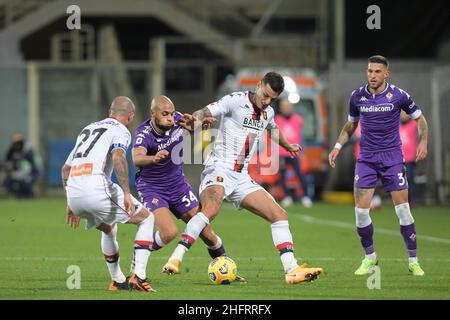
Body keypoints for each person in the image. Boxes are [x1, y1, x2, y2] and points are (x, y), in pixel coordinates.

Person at [164, 72, 324, 284]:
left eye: (272, 99)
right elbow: (205, 111)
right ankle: (175, 259)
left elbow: (273, 130)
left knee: (279, 214)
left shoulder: (268, 112)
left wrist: (287, 146)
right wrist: (196, 118)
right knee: (210, 211)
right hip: (218, 168)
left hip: (241, 177)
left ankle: (291, 269)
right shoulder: (235, 100)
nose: (266, 101)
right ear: (258, 85)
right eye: (265, 95)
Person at [328, 55, 428, 276]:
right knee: (361, 213)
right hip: (366, 159)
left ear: (386, 74)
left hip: (392, 159)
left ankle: (413, 261)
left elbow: (420, 118)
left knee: (403, 211)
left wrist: (423, 141)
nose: (372, 75)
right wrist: (337, 146)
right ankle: (370, 258)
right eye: (369, 71)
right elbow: (351, 124)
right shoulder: (357, 96)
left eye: (377, 72)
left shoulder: (399, 95)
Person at [132, 95, 236, 277]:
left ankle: (225, 267)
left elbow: (192, 130)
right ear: (153, 113)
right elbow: (136, 158)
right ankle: (140, 252)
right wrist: (153, 158)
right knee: (169, 232)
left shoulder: (178, 119)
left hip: (178, 186)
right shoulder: (143, 133)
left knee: (207, 233)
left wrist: (201, 128)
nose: (170, 117)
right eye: (165, 114)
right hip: (152, 187)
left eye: (172, 113)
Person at [61, 96, 156, 292]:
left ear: (109, 112)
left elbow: (65, 169)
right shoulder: (121, 130)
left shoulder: (88, 129)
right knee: (147, 218)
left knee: (109, 228)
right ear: (130, 117)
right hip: (96, 188)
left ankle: (118, 280)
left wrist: (70, 202)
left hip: (75, 193)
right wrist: (127, 193)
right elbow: (118, 156)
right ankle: (139, 276)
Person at [275, 98, 313, 208]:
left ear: (291, 108)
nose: (285, 109)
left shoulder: (298, 119)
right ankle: (286, 196)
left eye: (287, 107)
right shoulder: (277, 119)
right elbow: (274, 136)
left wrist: (303, 151)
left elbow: (302, 136)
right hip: (281, 152)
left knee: (300, 174)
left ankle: (305, 196)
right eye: (283, 107)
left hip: (295, 152)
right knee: (282, 176)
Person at [3, 133, 39, 198]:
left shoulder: (27, 150)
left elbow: (34, 165)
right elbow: (7, 162)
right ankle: (18, 195)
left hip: (30, 173)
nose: (17, 144)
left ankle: (30, 196)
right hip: (17, 173)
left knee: (25, 181)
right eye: (15, 142)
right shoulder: (11, 151)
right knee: (7, 182)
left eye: (19, 142)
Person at [400, 110, 419, 207]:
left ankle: (412, 201)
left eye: (405, 113)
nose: (403, 115)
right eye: (401, 113)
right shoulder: (396, 125)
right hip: (398, 159)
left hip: (410, 159)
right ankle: (401, 201)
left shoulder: (414, 124)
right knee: (399, 181)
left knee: (410, 181)